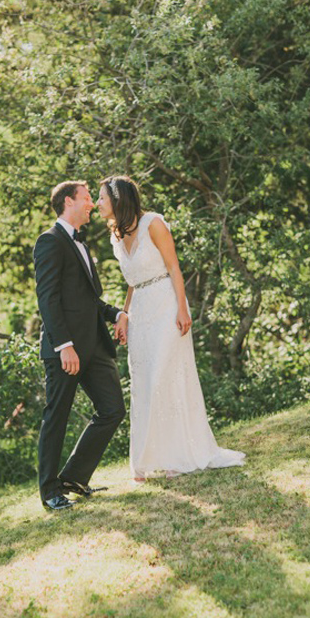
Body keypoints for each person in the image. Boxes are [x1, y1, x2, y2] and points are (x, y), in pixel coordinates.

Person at [97, 175, 245, 481]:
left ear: (118, 199)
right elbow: (132, 283)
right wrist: (124, 314)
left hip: (166, 305)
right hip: (140, 312)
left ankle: (177, 456)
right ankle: (146, 460)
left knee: (166, 377)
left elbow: (174, 267)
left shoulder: (153, 223)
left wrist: (181, 307)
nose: (98, 203)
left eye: (102, 198)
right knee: (144, 383)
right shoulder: (115, 236)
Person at [33, 181, 128, 511]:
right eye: (87, 198)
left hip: (95, 347)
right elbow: (48, 299)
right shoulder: (49, 241)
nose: (92, 204)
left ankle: (73, 477)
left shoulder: (80, 244)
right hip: (66, 352)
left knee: (113, 409)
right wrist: (64, 345)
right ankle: (49, 491)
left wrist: (116, 313)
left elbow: (89, 300)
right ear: (69, 201)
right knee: (56, 417)